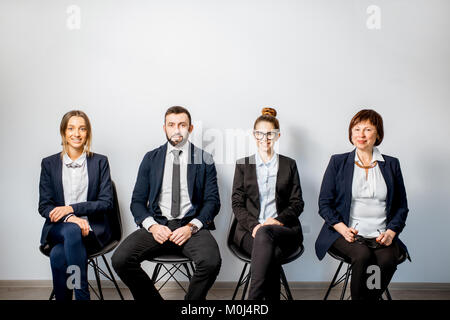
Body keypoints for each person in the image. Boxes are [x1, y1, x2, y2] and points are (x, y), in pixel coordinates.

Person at [112, 106, 221, 301]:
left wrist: (191, 227)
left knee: (211, 262)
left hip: (191, 226)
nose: (177, 130)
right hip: (158, 225)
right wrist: (152, 226)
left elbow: (212, 202)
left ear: (191, 128)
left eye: (182, 125)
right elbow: (137, 202)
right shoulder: (150, 158)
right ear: (164, 128)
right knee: (120, 259)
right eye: (171, 125)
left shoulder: (204, 159)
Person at [315, 109, 410, 300]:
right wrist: (342, 229)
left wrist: (391, 232)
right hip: (345, 234)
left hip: (382, 236)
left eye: (367, 129)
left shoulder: (391, 164)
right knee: (363, 256)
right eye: (356, 129)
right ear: (351, 133)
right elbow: (324, 204)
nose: (361, 134)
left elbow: (401, 206)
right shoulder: (338, 162)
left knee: (387, 260)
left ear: (378, 134)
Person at [38, 110, 113, 300]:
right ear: (63, 132)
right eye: (71, 128)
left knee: (57, 255)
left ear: (88, 133)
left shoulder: (100, 162)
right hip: (58, 228)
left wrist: (72, 209)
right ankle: (82, 294)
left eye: (82, 129)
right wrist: (70, 218)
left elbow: (106, 202)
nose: (76, 134)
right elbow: (44, 206)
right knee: (71, 230)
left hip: (91, 230)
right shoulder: (49, 163)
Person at [231, 107, 304, 300]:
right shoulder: (243, 165)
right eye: (260, 134)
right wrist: (255, 226)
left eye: (270, 133)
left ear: (278, 136)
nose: (265, 138)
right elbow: (237, 204)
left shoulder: (289, 165)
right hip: (249, 232)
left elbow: (297, 203)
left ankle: (252, 302)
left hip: (283, 230)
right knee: (269, 250)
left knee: (266, 236)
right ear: (254, 135)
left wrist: (278, 221)